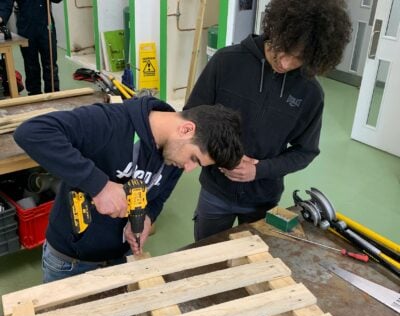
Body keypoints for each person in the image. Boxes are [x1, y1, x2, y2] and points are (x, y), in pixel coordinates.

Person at [14, 96, 243, 282]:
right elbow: (32, 132)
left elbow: (157, 198)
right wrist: (100, 186)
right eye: (194, 158)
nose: (189, 168)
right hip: (69, 262)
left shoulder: (174, 157)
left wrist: (146, 219)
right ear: (186, 129)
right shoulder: (111, 122)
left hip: (120, 260)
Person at [184, 0, 352, 241]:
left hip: (263, 198)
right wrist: (220, 155)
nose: (285, 63)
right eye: (282, 51)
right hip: (215, 192)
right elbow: (191, 117)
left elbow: (305, 151)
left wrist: (258, 170)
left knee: (254, 262)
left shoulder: (310, 93)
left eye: (298, 58)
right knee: (205, 255)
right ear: (275, 30)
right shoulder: (225, 62)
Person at [0, 0, 61, 95]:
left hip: (46, 26)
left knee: (50, 63)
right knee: (30, 65)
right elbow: (6, 3)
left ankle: (53, 93)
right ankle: (34, 94)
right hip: (26, 26)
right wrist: (1, 17)